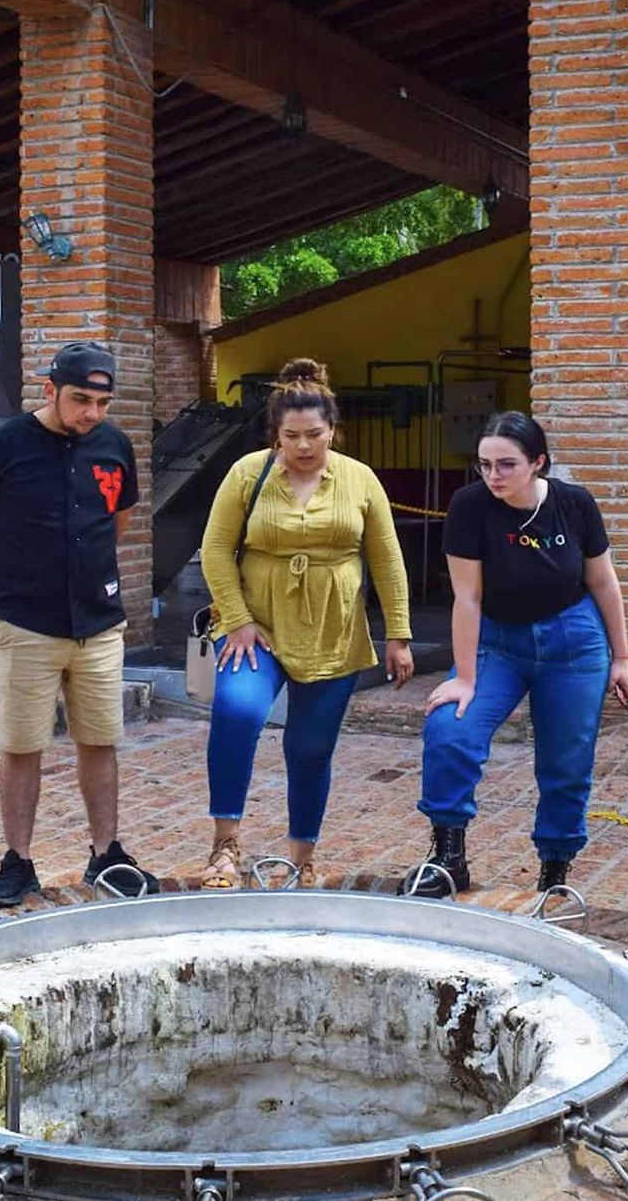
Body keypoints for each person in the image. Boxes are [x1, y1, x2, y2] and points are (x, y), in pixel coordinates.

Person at [0, 341, 160, 906]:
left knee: (100, 741)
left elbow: (115, 523)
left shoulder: (116, 445)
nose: (92, 412)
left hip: (98, 624)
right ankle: (18, 861)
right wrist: (13, 575)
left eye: (101, 401)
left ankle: (106, 853)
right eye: (80, 399)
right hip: (26, 626)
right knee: (22, 746)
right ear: (50, 390)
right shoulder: (2, 446)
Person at [199, 358, 414, 889]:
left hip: (333, 629)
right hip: (256, 625)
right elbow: (215, 549)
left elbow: (386, 558)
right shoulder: (249, 473)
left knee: (311, 748)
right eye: (291, 435)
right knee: (237, 710)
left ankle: (301, 857)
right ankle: (225, 846)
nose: (302, 446)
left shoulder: (359, 478)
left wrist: (399, 634)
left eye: (314, 434)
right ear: (276, 434)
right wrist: (239, 620)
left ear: (333, 430)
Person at [405, 411, 628, 899]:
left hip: (573, 641)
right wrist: (465, 677)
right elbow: (467, 597)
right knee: (450, 729)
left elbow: (602, 581)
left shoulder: (574, 504)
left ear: (538, 463)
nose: (493, 476)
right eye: (484, 465)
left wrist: (621, 658)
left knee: (566, 762)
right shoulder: (470, 506)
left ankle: (555, 873)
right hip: (497, 642)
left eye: (506, 465)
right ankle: (447, 856)